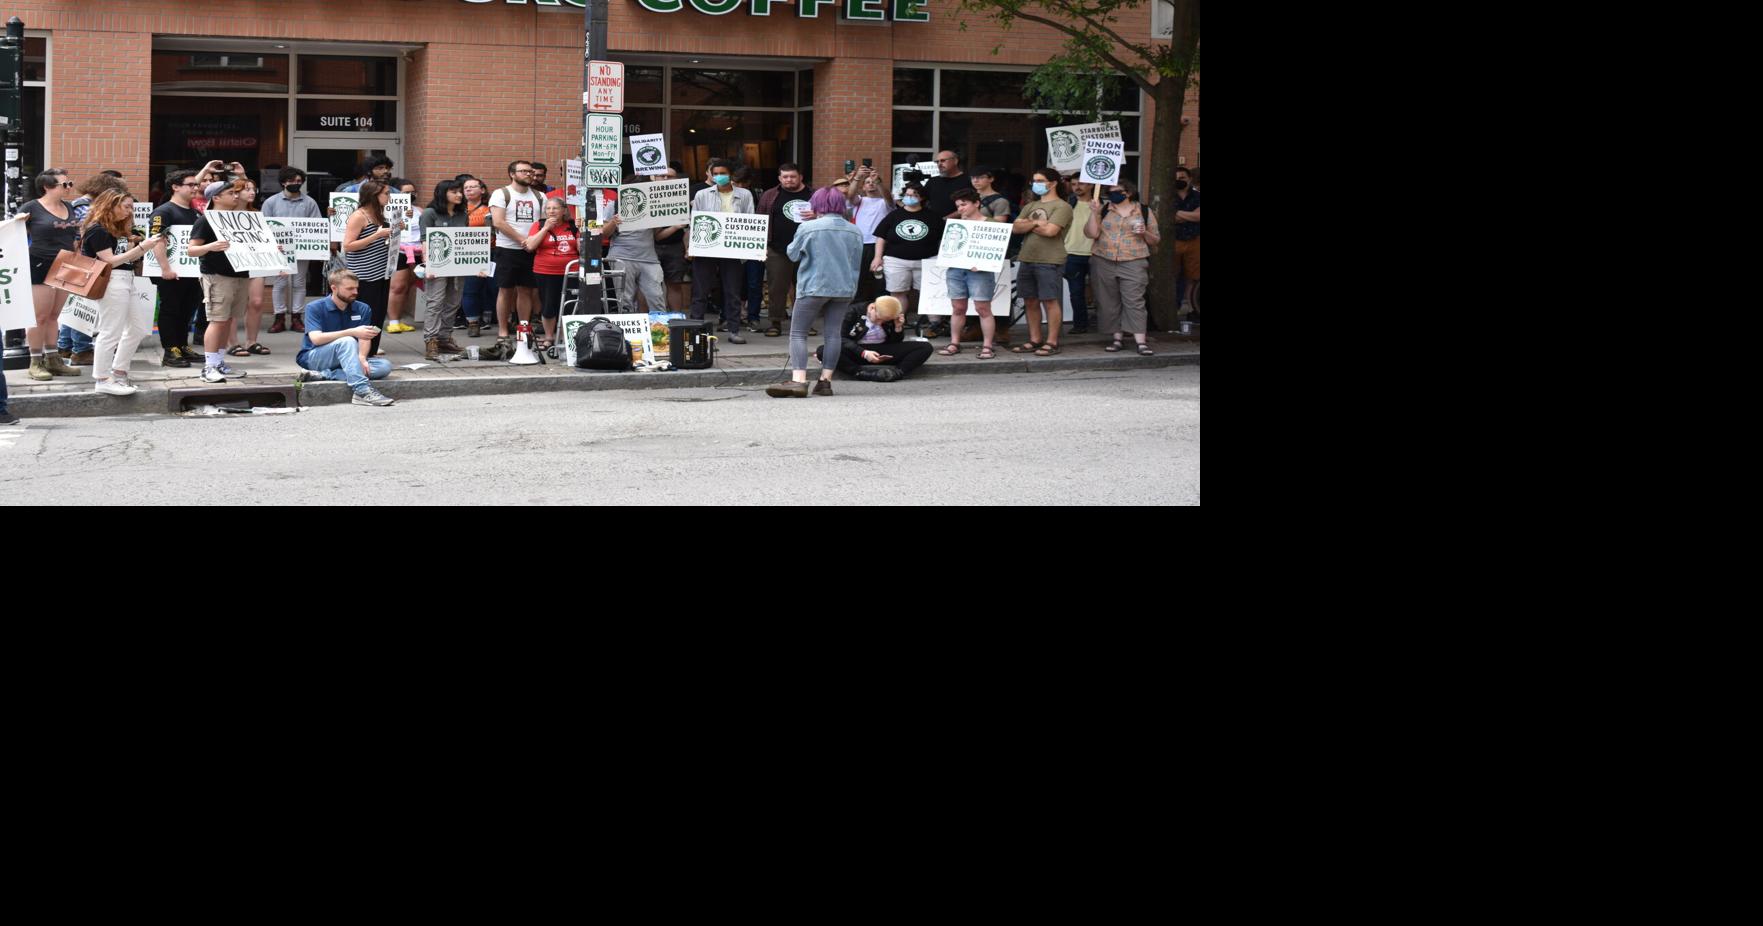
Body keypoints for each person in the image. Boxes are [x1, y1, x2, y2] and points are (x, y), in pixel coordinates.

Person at [767, 186, 861, 398]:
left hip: (814, 285)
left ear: (817, 204)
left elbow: (792, 254)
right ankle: (825, 381)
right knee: (833, 334)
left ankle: (799, 380)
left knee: (798, 333)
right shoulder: (854, 230)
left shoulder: (808, 227)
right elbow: (856, 263)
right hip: (844, 287)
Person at [80, 189, 161, 396]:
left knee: (139, 328)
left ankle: (119, 371)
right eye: (125, 206)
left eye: (131, 207)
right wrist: (142, 247)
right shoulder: (97, 230)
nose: (129, 211)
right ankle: (102, 378)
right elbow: (109, 261)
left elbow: (123, 258)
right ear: (111, 205)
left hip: (125, 279)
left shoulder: (116, 229)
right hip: (111, 281)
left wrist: (136, 245)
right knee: (110, 331)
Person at [186, 179, 256, 383]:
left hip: (240, 274)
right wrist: (211, 246)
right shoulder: (206, 220)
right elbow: (191, 250)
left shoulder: (240, 218)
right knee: (217, 320)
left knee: (228, 319)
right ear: (216, 198)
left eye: (236, 193)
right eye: (230, 193)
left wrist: (269, 248)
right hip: (217, 275)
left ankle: (219, 362)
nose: (236, 196)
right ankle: (208, 367)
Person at [295, 269, 394, 407]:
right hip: (314, 356)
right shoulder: (315, 307)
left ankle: (323, 375)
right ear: (334, 288)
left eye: (356, 288)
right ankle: (362, 391)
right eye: (350, 288)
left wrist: (361, 357)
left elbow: (364, 337)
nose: (355, 292)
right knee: (347, 340)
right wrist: (351, 331)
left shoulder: (363, 308)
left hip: (347, 358)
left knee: (384, 366)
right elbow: (316, 339)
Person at [1085, 178, 1161, 356]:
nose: (1112, 194)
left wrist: (1144, 233)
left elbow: (1156, 239)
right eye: (1109, 191)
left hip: (1134, 260)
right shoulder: (1104, 209)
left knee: (1134, 300)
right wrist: (1093, 213)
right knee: (1108, 301)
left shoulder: (1143, 211)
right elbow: (1092, 233)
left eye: (1116, 190)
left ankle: (1140, 342)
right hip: (1104, 259)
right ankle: (1116, 339)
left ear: (1128, 192)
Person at [22, 169, 86, 381]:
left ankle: (53, 358)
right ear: (47, 187)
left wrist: (77, 249)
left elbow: (75, 234)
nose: (69, 188)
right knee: (39, 315)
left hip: (64, 264)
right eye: (64, 185)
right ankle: (35, 361)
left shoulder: (68, 207)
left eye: (69, 183)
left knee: (53, 315)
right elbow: (13, 233)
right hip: (40, 263)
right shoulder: (32, 207)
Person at [59, 173, 128, 365]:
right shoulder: (86, 208)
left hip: (79, 261)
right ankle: (80, 349)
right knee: (84, 309)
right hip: (87, 263)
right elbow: (85, 234)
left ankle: (65, 346)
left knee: (75, 308)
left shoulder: (77, 205)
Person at [687, 158, 753, 343]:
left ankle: (733, 329)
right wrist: (691, 247)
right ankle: (696, 328)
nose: (719, 177)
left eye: (722, 173)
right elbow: (695, 222)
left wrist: (751, 248)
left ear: (731, 174)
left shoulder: (745, 195)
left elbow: (750, 220)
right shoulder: (702, 194)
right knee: (700, 290)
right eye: (715, 174)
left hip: (732, 248)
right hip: (706, 247)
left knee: (732, 290)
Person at [1010, 167, 1073, 356]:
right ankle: (1035, 339)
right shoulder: (1030, 206)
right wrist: (1037, 223)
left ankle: (1052, 341)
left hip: (1050, 259)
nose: (1035, 184)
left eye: (1040, 181)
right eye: (1034, 181)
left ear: (1053, 183)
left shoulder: (1062, 206)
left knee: (1050, 301)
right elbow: (1015, 228)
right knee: (1030, 300)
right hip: (1027, 257)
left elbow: (1051, 231)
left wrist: (1027, 225)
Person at [148, 169, 205, 368]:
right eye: (191, 185)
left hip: (191, 272)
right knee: (171, 309)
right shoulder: (164, 211)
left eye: (196, 185)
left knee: (187, 310)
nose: (195, 188)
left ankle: (182, 345)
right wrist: (165, 269)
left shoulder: (195, 212)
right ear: (175, 187)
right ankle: (170, 350)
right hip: (171, 273)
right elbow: (157, 240)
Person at [869, 181, 942, 335]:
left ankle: (935, 324)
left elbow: (943, 239)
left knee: (930, 292)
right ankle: (898, 323)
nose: (909, 197)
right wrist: (877, 257)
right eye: (907, 194)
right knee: (897, 292)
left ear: (921, 198)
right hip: (896, 260)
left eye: (914, 195)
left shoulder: (933, 216)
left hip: (927, 260)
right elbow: (881, 237)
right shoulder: (894, 215)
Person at [936, 189, 1000, 360]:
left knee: (983, 308)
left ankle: (987, 345)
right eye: (958, 206)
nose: (961, 208)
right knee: (958, 307)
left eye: (964, 204)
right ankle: (954, 342)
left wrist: (982, 263)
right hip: (956, 268)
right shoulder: (955, 223)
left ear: (976, 203)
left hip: (980, 271)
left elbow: (997, 251)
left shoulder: (992, 223)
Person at [340, 179, 400, 356]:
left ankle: (371, 350)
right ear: (374, 195)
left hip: (381, 272)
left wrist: (395, 230)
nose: (390, 196)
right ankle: (360, 352)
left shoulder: (379, 214)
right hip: (364, 275)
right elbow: (348, 245)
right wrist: (376, 235)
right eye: (386, 193)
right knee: (365, 315)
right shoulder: (359, 215)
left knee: (378, 314)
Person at [490, 160, 545, 349]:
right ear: (512, 174)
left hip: (532, 250)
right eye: (523, 171)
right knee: (505, 290)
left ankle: (524, 328)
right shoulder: (501, 194)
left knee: (526, 290)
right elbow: (498, 222)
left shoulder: (540, 196)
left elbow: (544, 224)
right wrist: (524, 240)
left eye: (530, 172)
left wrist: (533, 242)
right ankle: (503, 332)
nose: (529, 174)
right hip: (507, 249)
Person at [814, 295, 933, 382]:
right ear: (872, 308)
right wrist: (863, 353)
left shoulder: (889, 316)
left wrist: (898, 328)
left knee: (925, 347)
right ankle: (861, 373)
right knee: (823, 350)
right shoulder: (852, 311)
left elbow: (895, 342)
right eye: (878, 318)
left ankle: (897, 373)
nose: (880, 322)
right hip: (857, 350)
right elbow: (840, 338)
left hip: (883, 349)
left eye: (884, 321)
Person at [262, 166, 322, 335]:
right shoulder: (271, 202)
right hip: (280, 249)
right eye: (291, 181)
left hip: (302, 249)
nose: (296, 183)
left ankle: (297, 317)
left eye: (298, 181)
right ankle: (279, 318)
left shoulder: (309, 202)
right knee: (280, 283)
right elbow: (264, 226)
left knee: (299, 283)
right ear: (283, 182)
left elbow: (316, 225)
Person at [757, 163, 813, 338]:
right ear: (780, 178)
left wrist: (817, 214)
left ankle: (805, 324)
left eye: (793, 176)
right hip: (777, 248)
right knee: (776, 288)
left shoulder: (814, 194)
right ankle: (775, 323)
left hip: (808, 249)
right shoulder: (770, 195)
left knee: (806, 288)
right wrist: (761, 245)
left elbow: (828, 214)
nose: (789, 180)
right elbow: (759, 219)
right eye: (785, 177)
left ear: (800, 177)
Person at [419, 180, 472, 360]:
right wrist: (428, 265)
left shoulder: (462, 214)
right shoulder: (429, 213)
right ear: (443, 193)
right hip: (438, 263)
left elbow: (466, 239)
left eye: (460, 192)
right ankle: (431, 340)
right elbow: (425, 240)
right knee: (435, 302)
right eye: (454, 191)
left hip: (457, 264)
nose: (459, 195)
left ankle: (444, 338)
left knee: (453, 302)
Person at [601, 175, 668, 315]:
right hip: (622, 257)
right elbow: (603, 234)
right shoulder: (614, 204)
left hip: (649, 259)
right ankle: (627, 333)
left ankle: (660, 332)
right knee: (624, 299)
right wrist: (614, 222)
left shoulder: (653, 205)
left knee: (656, 297)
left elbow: (656, 235)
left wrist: (674, 226)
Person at [524, 197, 579, 351]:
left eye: (555, 208)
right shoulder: (539, 225)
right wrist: (545, 229)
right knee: (548, 305)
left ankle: (564, 338)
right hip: (545, 271)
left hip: (570, 272)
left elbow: (582, 251)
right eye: (548, 208)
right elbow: (530, 246)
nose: (551, 211)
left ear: (564, 211)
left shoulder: (573, 226)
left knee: (569, 305)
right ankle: (549, 337)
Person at [229, 176, 275, 358]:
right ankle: (232, 342)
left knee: (256, 302)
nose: (252, 192)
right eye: (247, 189)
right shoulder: (224, 214)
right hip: (233, 261)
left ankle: (251, 341)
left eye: (253, 189)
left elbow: (263, 239)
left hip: (256, 261)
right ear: (236, 192)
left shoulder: (256, 214)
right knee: (232, 304)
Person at [458, 176, 498, 337]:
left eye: (472, 187)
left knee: (494, 287)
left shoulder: (490, 209)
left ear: (482, 190)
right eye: (465, 187)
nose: (468, 190)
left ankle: (495, 319)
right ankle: (473, 323)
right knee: (470, 290)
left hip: (491, 252)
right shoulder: (457, 210)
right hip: (469, 254)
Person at [847, 166, 892, 307]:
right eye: (867, 182)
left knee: (880, 279)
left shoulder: (884, 202)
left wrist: (878, 181)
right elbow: (850, 196)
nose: (871, 183)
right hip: (861, 244)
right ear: (863, 187)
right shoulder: (859, 201)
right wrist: (857, 178)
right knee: (860, 277)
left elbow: (889, 198)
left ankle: (882, 307)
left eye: (873, 181)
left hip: (881, 245)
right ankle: (858, 309)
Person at [383, 177, 422, 335]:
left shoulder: (420, 211)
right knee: (397, 286)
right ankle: (392, 321)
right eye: (406, 192)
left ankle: (399, 319)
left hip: (417, 251)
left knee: (407, 286)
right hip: (397, 250)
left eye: (413, 192)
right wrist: (401, 215)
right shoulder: (387, 210)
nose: (410, 195)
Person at [652, 167, 691, 313]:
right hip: (649, 247)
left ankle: (676, 319)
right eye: (661, 176)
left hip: (674, 246)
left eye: (670, 176)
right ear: (654, 178)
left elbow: (688, 228)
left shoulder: (682, 198)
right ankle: (648, 320)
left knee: (674, 284)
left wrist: (687, 248)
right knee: (648, 285)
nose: (666, 179)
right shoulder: (647, 196)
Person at [732, 166, 766, 329]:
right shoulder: (728, 194)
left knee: (754, 282)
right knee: (734, 282)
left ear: (748, 183)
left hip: (754, 242)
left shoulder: (759, 195)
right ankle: (734, 315)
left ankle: (753, 316)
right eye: (735, 183)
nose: (738, 186)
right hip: (733, 242)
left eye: (741, 183)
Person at [1064, 175, 1095, 335]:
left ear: (1091, 185)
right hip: (1072, 253)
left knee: (1104, 292)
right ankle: (1080, 324)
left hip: (1097, 254)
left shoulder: (1101, 204)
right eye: (1074, 184)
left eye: (1081, 183)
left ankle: (1106, 323)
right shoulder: (1068, 204)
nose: (1077, 187)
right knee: (1076, 293)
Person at [1172, 166, 1201, 321]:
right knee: (1173, 274)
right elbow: (1168, 217)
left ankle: (1190, 307)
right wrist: (1192, 215)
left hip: (1194, 240)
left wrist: (1177, 214)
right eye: (1176, 178)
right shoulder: (1167, 196)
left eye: (1182, 178)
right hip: (1173, 240)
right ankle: (1174, 307)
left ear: (1189, 179)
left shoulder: (1197, 196)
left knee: (1193, 276)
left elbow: (1199, 217)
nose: (1179, 181)